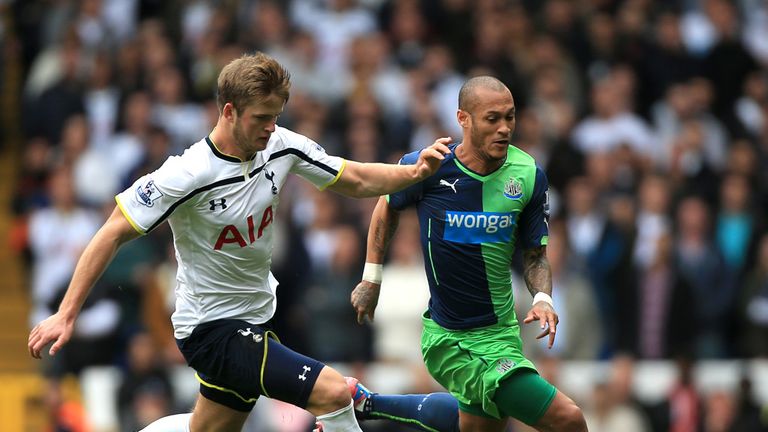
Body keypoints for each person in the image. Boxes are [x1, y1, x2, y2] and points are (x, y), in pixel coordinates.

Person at [28, 52, 451, 432]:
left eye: (276, 117)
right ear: (229, 111)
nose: (271, 128)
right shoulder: (187, 173)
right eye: (261, 118)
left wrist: (413, 174)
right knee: (337, 394)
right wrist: (66, 314)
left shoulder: (281, 146)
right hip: (211, 330)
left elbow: (355, 178)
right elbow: (112, 231)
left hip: (255, 319)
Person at [348, 76, 587, 432]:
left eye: (510, 117)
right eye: (493, 119)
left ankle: (367, 402)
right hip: (451, 337)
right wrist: (372, 277)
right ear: (463, 119)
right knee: (569, 419)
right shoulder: (429, 166)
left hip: (503, 333)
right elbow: (386, 207)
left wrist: (542, 297)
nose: (504, 128)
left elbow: (535, 255)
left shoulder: (528, 176)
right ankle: (370, 402)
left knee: (473, 428)